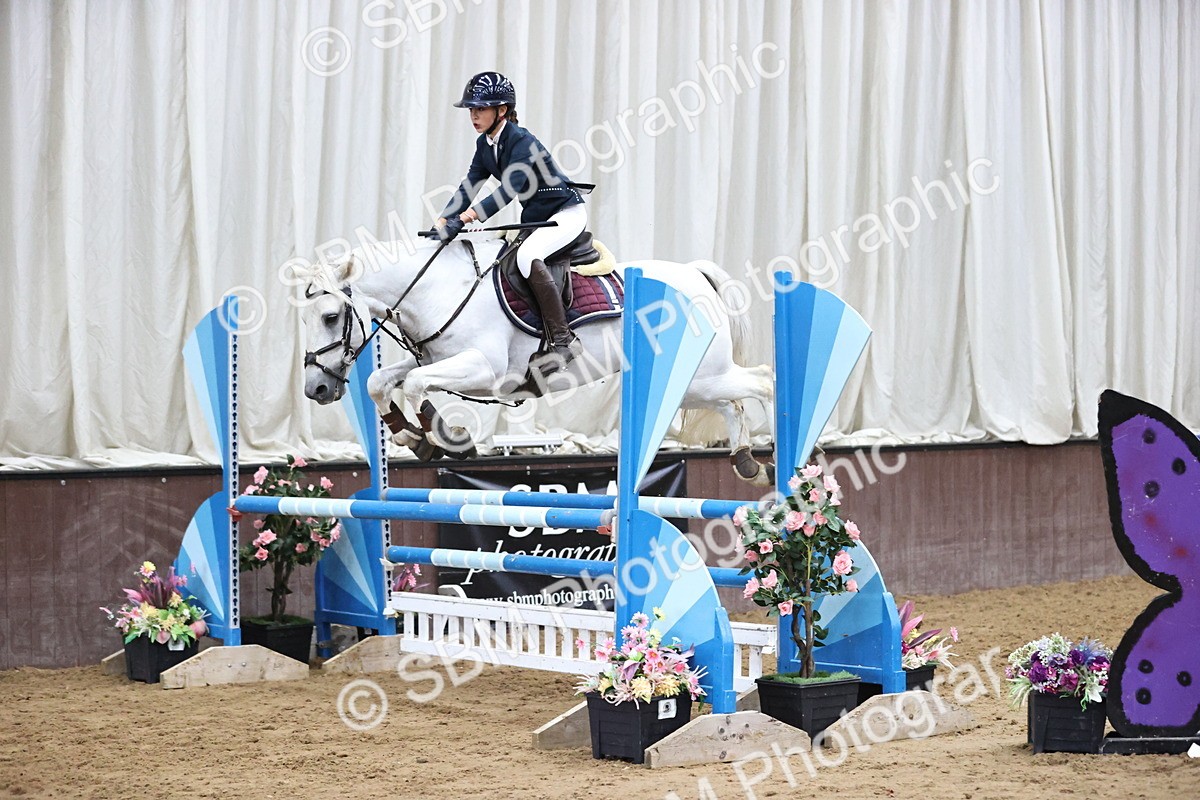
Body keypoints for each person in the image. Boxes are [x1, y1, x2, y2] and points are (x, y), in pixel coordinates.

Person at [436, 71, 586, 377]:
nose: (474, 115)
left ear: (501, 110)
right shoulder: (485, 144)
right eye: (471, 110)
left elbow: (509, 189)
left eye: (480, 109)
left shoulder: (522, 141)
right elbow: (471, 184)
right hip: (539, 219)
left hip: (565, 213)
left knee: (528, 257)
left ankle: (564, 340)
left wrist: (465, 218)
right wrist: (443, 217)